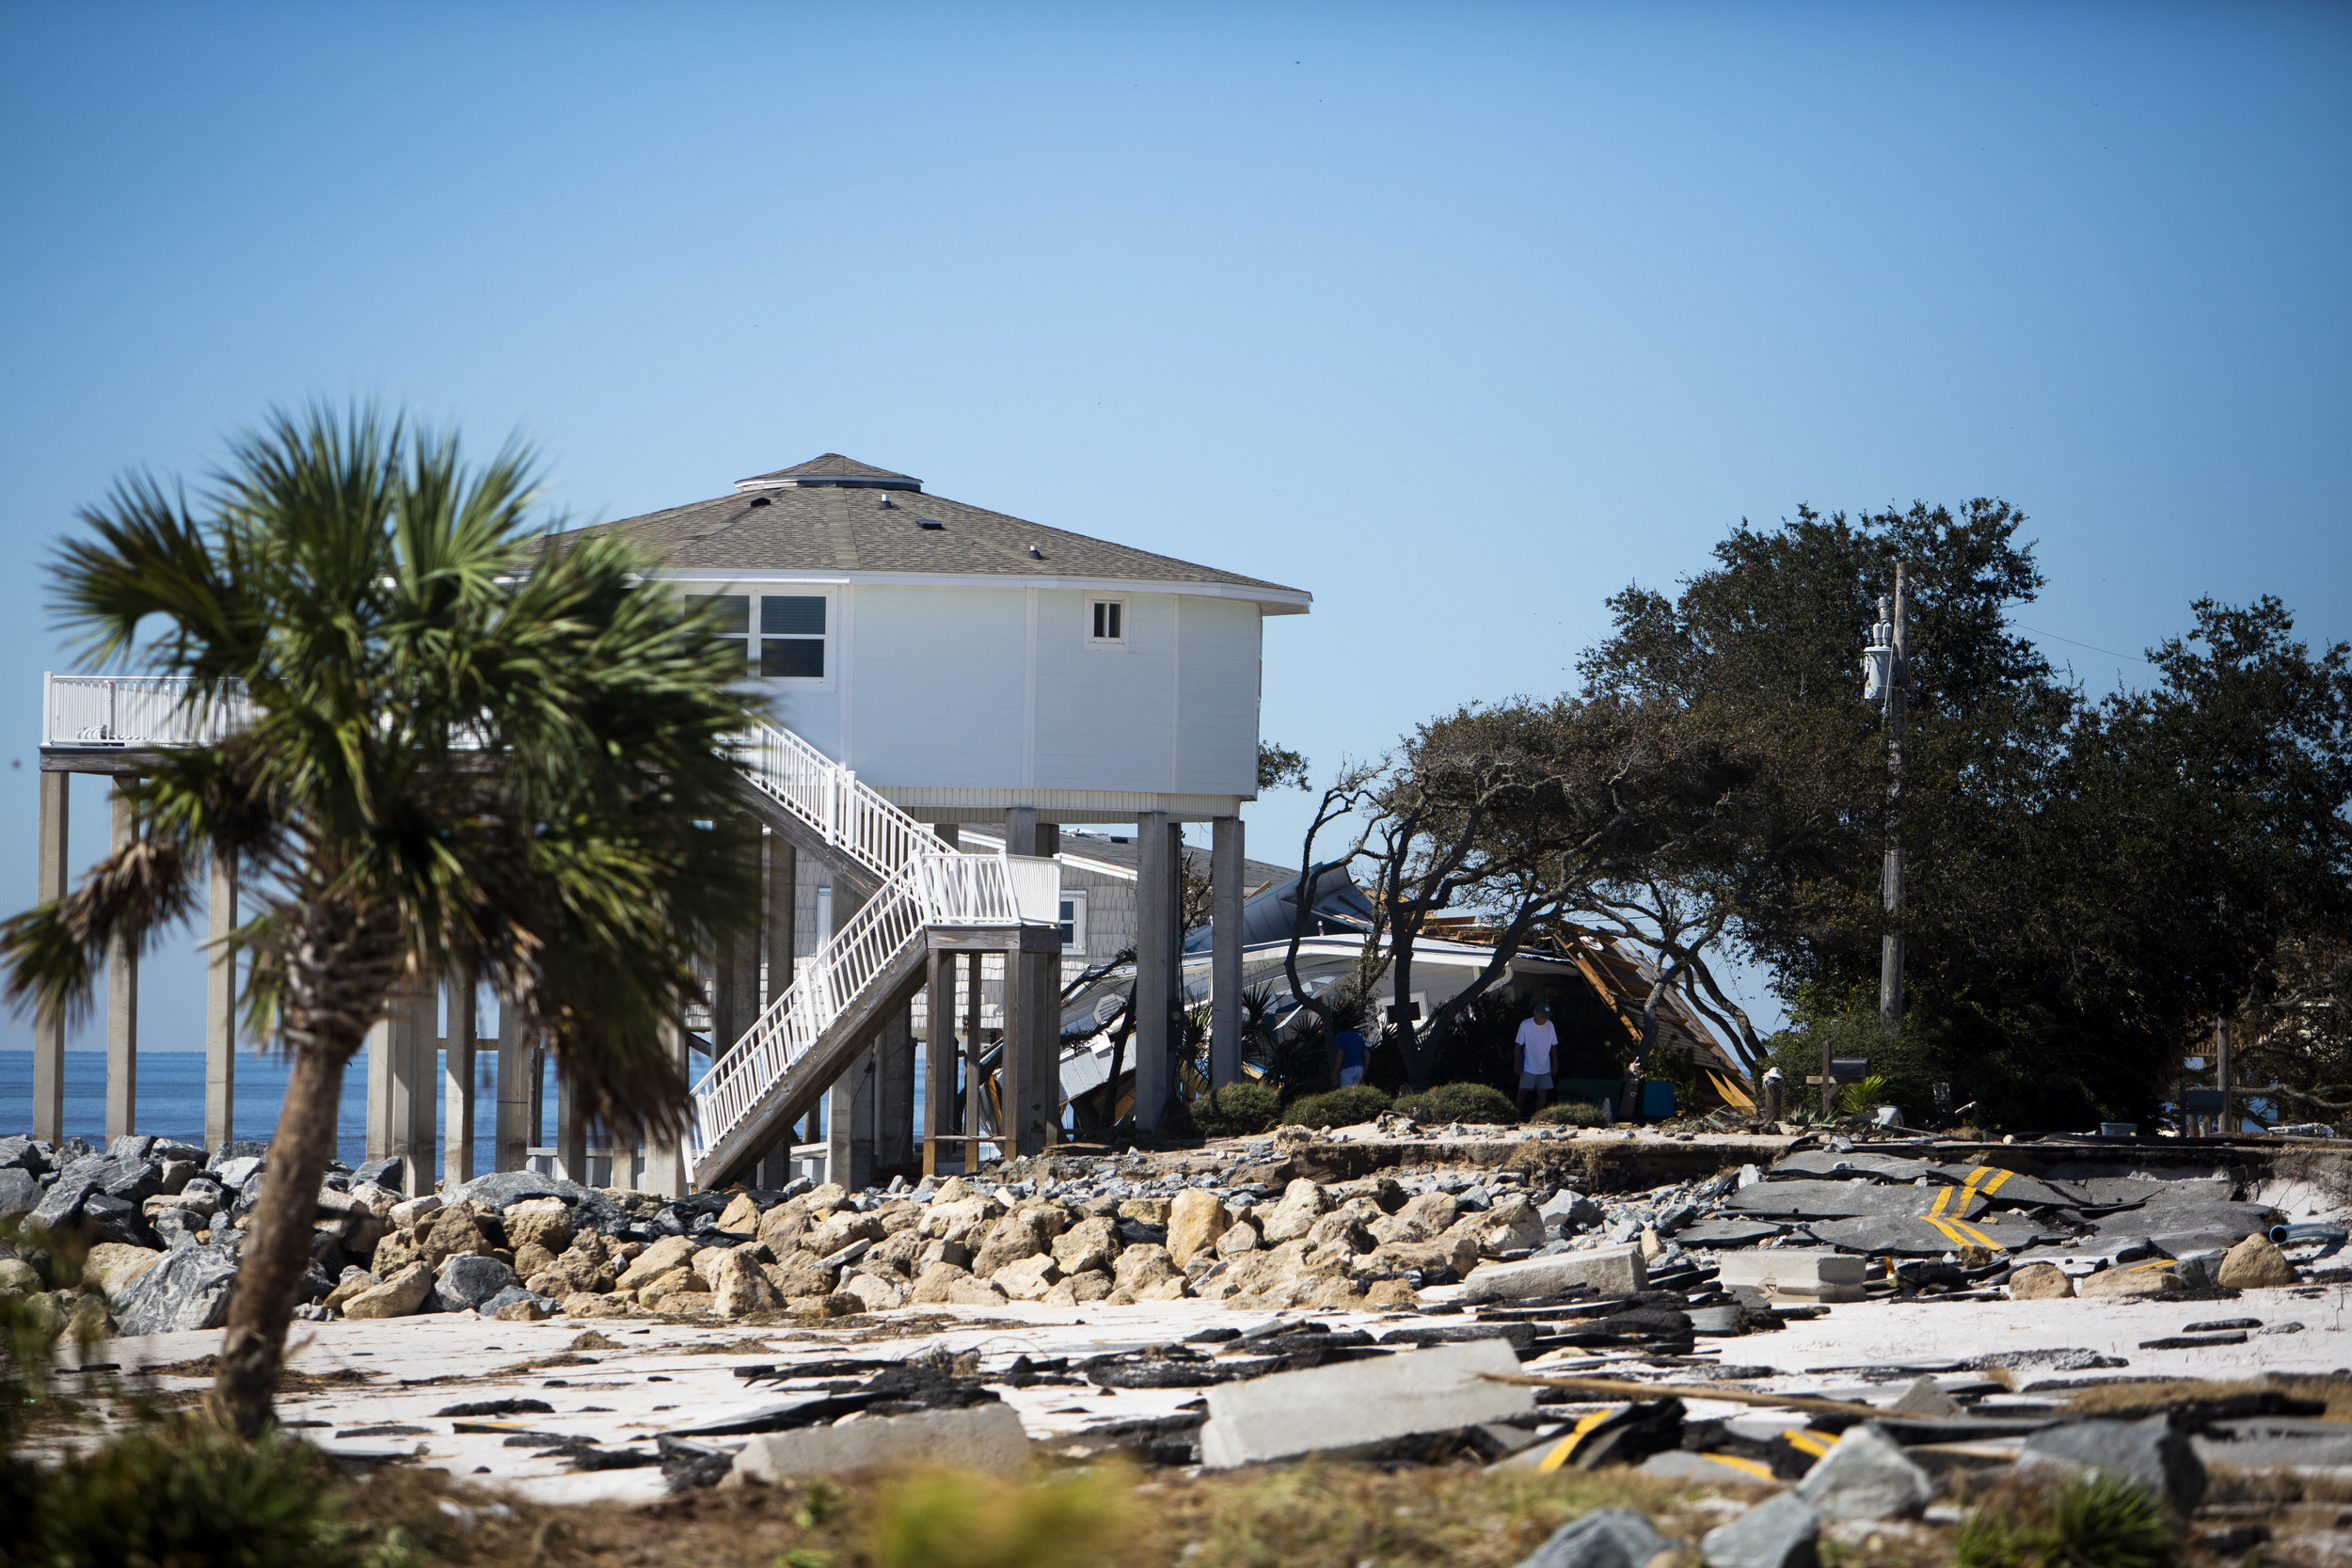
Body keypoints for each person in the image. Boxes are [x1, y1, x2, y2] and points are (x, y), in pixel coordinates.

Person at [1516, 1001, 1558, 1119]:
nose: (1545, 1019)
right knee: (1523, 1090)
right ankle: (1517, 1115)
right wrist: (1517, 1064)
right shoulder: (1525, 1025)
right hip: (1528, 1065)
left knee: (1542, 1091)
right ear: (1536, 1014)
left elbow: (1553, 1045)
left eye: (1546, 1017)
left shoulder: (1550, 1025)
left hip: (1544, 1065)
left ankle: (1538, 1118)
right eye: (1542, 1016)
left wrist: (1555, 1063)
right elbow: (1518, 1044)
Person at [1334, 1017, 1369, 1087]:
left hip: (1347, 1068)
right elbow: (1367, 1055)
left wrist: (1335, 1072)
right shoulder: (1358, 1037)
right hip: (1359, 1067)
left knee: (1347, 1094)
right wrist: (1364, 1072)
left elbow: (1340, 1054)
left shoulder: (1340, 1037)